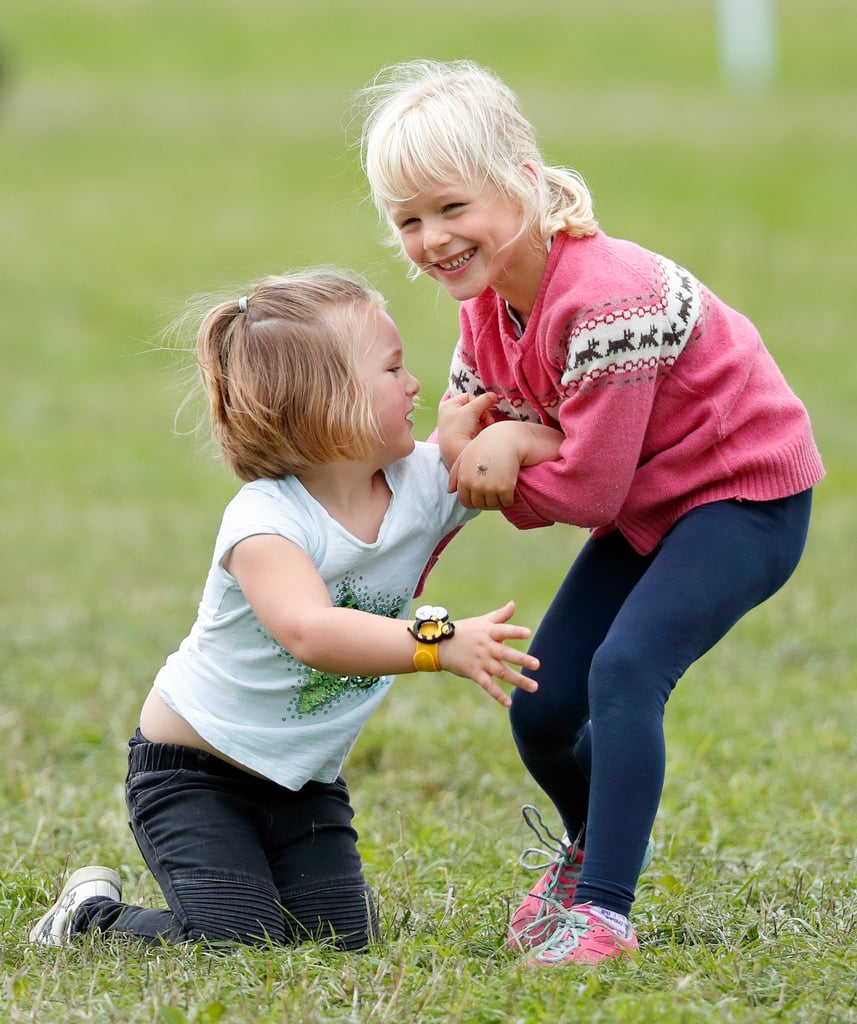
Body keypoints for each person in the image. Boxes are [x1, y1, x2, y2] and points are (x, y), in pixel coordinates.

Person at [357, 59, 825, 965]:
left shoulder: (609, 302)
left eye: (453, 208)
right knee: (541, 705)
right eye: (408, 220)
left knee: (624, 671)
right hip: (656, 500)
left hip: (743, 496)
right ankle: (590, 851)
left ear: (523, 182)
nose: (432, 239)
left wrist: (504, 450)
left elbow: (586, 492)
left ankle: (604, 914)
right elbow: (465, 451)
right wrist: (482, 453)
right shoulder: (488, 309)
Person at [29, 268, 563, 951]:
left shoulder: (425, 483)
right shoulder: (267, 522)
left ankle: (285, 882)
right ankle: (87, 919)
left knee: (337, 941)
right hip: (194, 771)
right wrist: (438, 640)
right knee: (235, 942)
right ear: (327, 402)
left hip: (304, 780)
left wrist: (497, 443)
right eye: (393, 368)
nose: (416, 385)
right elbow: (310, 632)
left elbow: (555, 452)